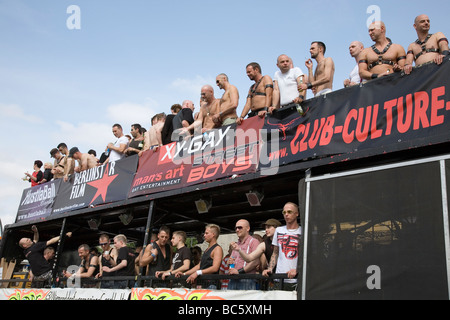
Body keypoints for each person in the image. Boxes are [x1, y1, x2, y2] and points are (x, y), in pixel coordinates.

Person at [262, 202, 302, 291]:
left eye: (289, 212)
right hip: (279, 278)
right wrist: (270, 268)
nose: (286, 214)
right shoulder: (279, 230)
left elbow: (307, 255)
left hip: (296, 279)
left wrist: (297, 269)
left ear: (297, 214)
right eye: (284, 212)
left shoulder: (302, 231)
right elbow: (275, 252)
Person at [175, 224, 223, 289]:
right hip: (203, 283)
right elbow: (199, 266)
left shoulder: (217, 248)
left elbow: (215, 268)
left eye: (206, 233)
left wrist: (198, 272)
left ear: (213, 234)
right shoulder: (207, 249)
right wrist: (184, 274)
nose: (204, 235)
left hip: (211, 284)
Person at [227, 219, 260, 290]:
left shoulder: (254, 241)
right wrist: (229, 263)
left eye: (240, 227)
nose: (237, 230)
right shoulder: (236, 244)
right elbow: (232, 260)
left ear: (248, 228)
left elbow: (256, 261)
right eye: (236, 228)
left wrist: (239, 272)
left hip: (247, 280)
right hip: (233, 279)